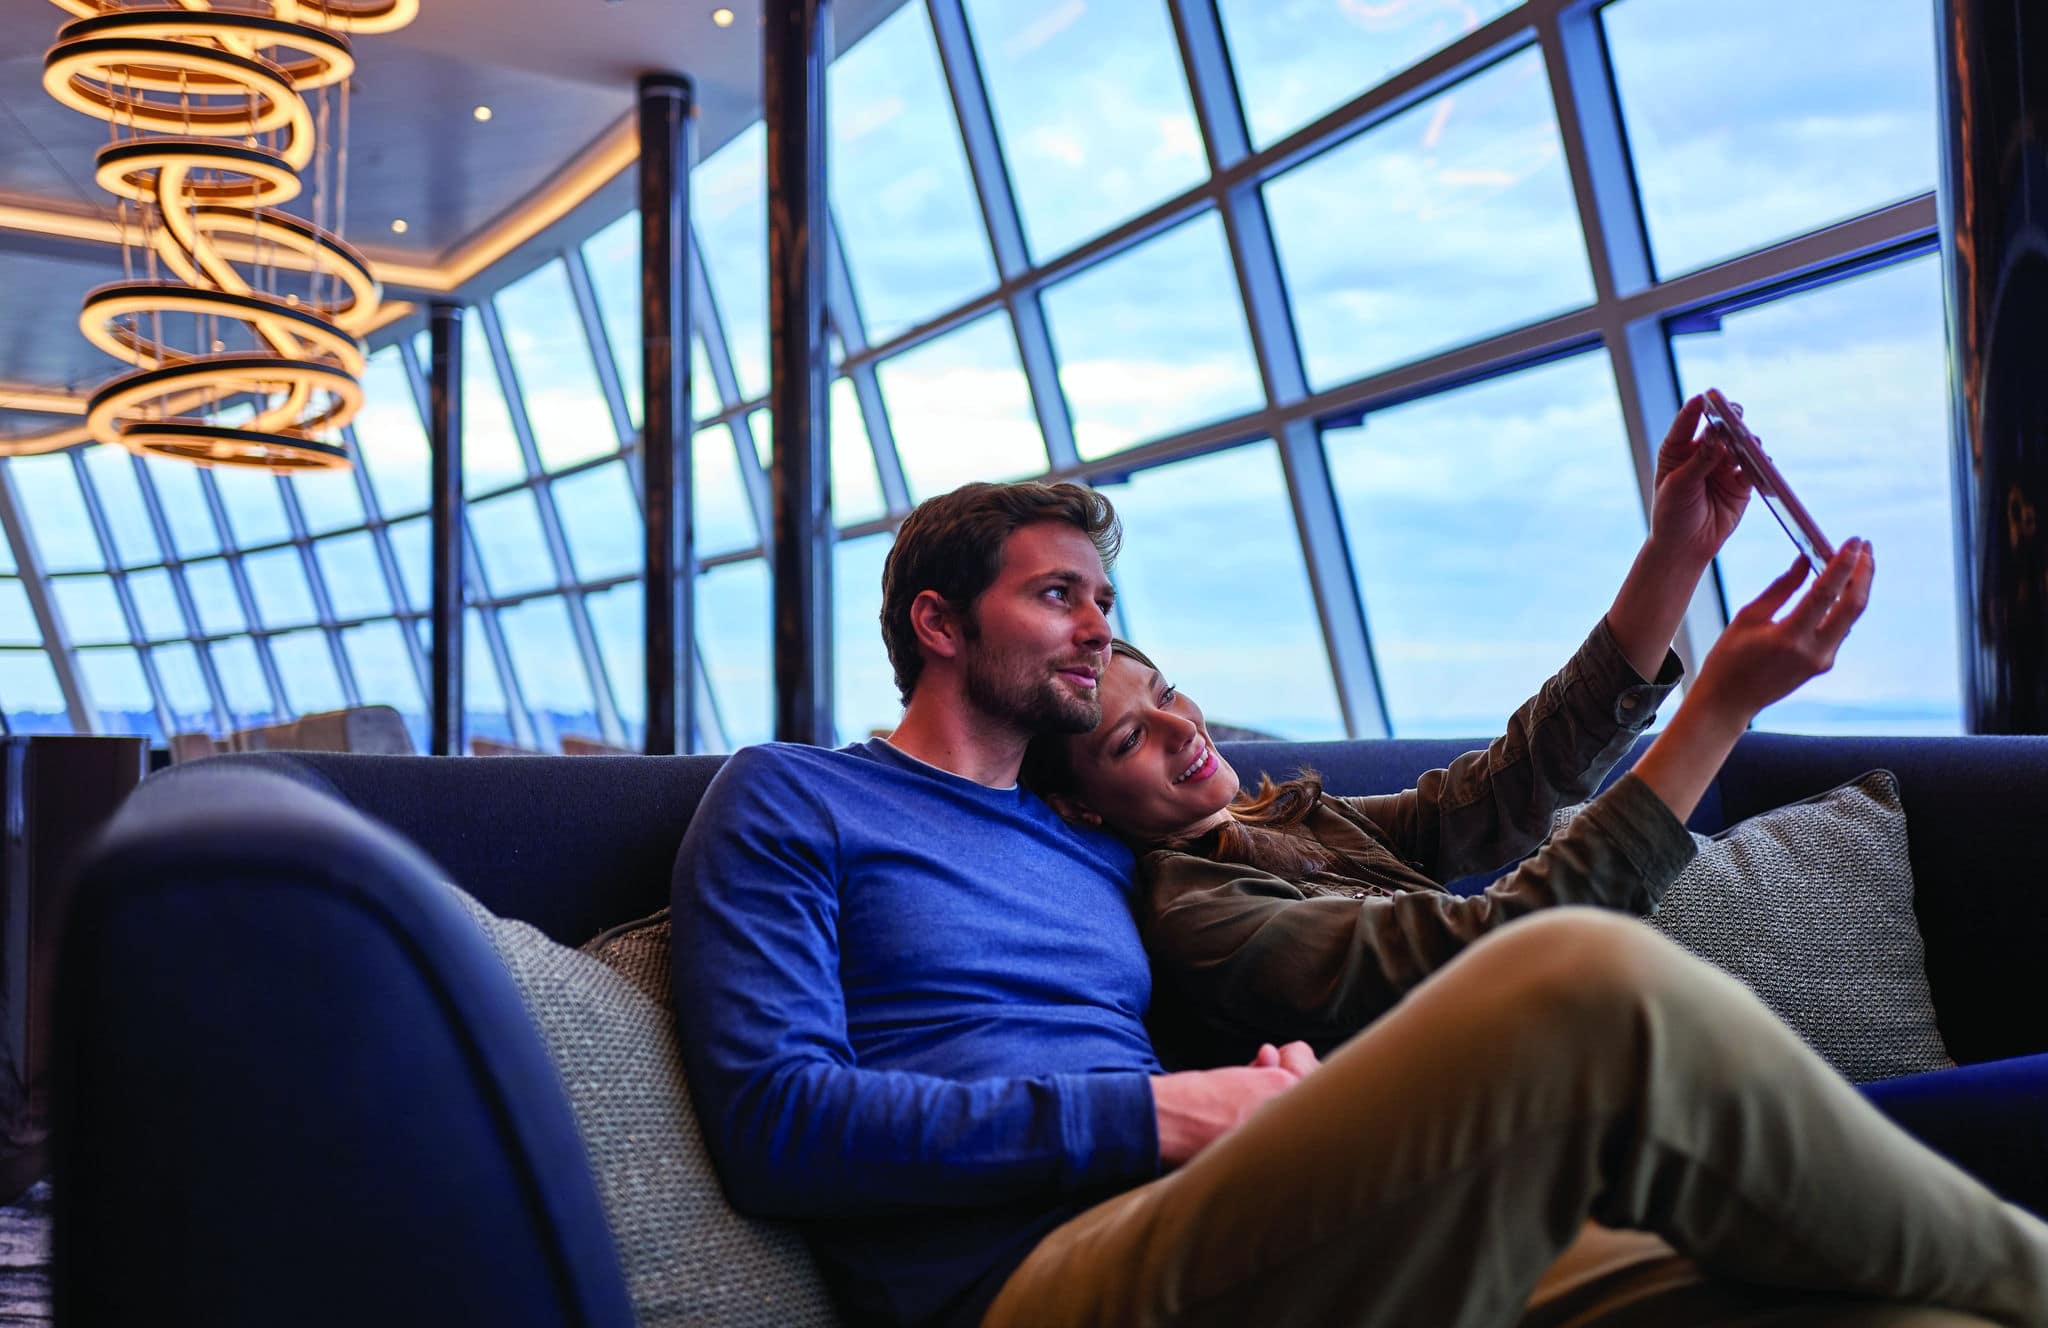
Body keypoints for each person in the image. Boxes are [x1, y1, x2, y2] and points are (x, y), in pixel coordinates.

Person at [671, 403, 2048, 1328]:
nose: (1096, 629)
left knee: (1845, 1306)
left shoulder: (1101, 842)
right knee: (1583, 975)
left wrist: (1678, 554)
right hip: (1018, 1278)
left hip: (1234, 1205)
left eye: (1106, 599)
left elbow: (1484, 807)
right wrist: (1164, 1112)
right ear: (939, 624)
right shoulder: (795, 799)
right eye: (1055, 596)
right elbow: (780, 1127)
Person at [1015, 395, 1862, 1060]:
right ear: (1084, 808)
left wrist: (1674, 551)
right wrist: (1720, 709)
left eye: (1168, 693)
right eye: (1129, 740)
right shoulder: (1206, 925)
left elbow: (1505, 790)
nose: (1181, 729)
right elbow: (1506, 944)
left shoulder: (1270, 821)